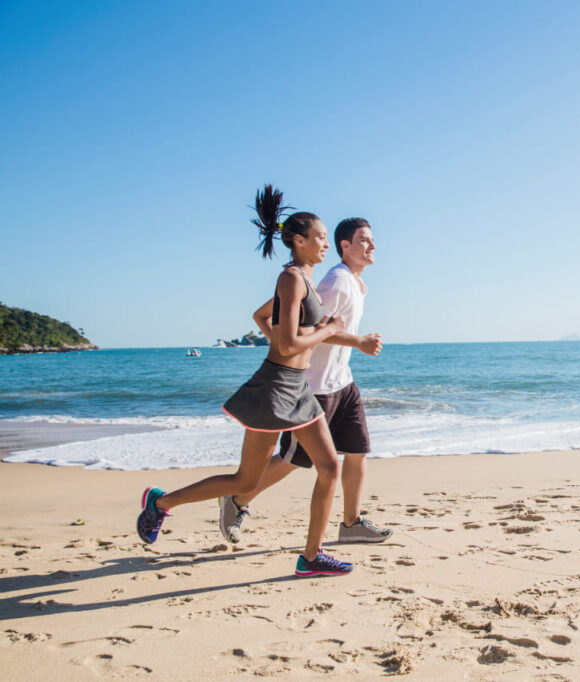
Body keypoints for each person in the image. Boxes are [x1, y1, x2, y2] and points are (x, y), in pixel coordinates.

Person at [136, 185, 352, 578]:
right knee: (245, 479)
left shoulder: (303, 278)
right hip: (274, 390)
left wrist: (317, 332)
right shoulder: (290, 278)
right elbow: (286, 345)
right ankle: (160, 503)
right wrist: (327, 329)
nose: (325, 244)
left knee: (329, 466)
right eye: (320, 238)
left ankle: (311, 556)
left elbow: (263, 320)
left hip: (297, 388)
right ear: (299, 240)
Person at [218, 217, 390, 545]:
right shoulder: (335, 282)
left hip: (343, 383)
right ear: (346, 246)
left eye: (372, 239)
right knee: (294, 459)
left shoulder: (355, 282)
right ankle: (238, 499)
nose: (373, 246)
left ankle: (351, 523)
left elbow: (299, 323)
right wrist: (358, 342)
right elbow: (310, 332)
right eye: (365, 240)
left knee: (357, 450)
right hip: (315, 387)